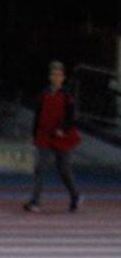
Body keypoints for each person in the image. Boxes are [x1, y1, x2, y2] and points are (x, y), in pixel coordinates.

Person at [24, 60, 82, 213]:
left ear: (63, 77)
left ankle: (75, 195)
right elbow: (38, 116)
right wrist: (34, 135)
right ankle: (35, 201)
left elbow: (72, 118)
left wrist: (63, 129)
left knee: (64, 170)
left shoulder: (67, 96)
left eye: (59, 74)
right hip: (44, 135)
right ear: (50, 77)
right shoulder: (43, 94)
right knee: (40, 167)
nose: (56, 77)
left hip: (62, 136)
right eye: (53, 74)